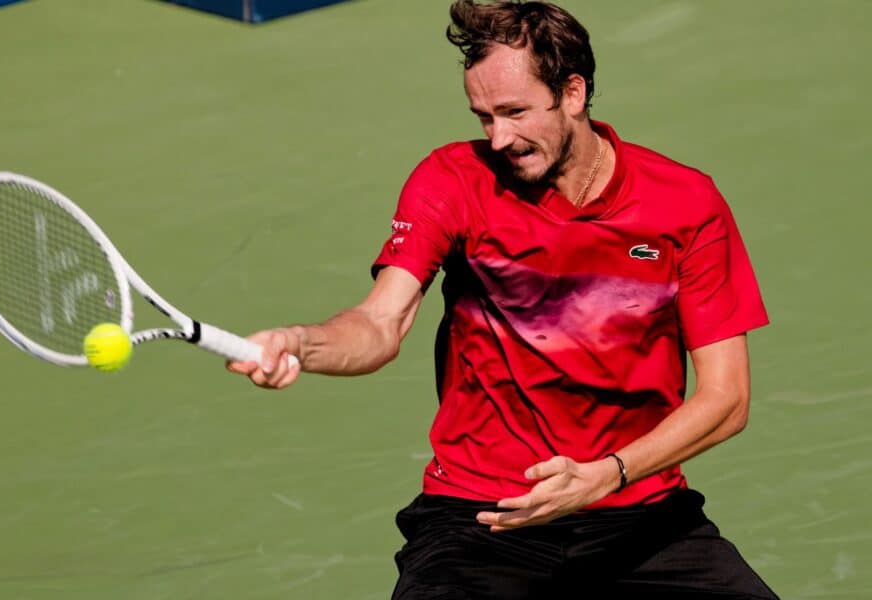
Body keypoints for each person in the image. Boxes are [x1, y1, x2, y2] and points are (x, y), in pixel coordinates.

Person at [227, 1, 778, 597]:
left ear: (573, 92)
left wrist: (605, 476)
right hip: (482, 517)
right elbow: (380, 322)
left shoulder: (684, 204)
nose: (499, 137)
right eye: (484, 116)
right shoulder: (454, 180)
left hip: (639, 509)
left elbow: (728, 397)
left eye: (514, 112)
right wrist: (302, 343)